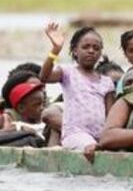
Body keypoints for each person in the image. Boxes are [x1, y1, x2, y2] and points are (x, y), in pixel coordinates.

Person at [38, 23, 116, 161]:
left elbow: (110, 116)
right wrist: (55, 50)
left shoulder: (106, 82)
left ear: (100, 52)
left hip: (99, 137)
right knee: (92, 148)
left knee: (109, 151)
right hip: (75, 135)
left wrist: (110, 139)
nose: (91, 51)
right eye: (86, 47)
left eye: (96, 48)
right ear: (75, 50)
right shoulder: (68, 72)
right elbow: (44, 77)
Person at [0, 79, 47, 147]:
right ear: (21, 108)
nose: (42, 108)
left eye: (43, 104)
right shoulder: (8, 121)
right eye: (37, 104)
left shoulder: (47, 122)